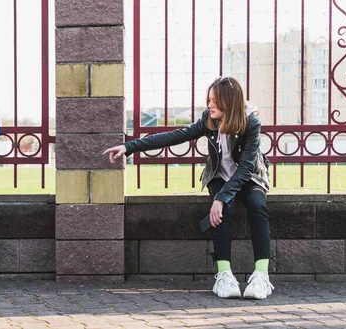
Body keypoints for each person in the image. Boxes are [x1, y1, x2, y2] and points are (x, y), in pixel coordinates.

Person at [103, 77, 273, 299]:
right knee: (225, 212)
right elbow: (175, 136)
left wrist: (219, 199)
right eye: (208, 100)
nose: (209, 105)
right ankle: (224, 275)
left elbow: (246, 167)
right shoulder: (209, 120)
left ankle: (262, 276)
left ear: (229, 101)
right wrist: (129, 147)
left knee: (257, 205)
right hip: (219, 175)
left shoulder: (250, 122)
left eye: (215, 100)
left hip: (249, 176)